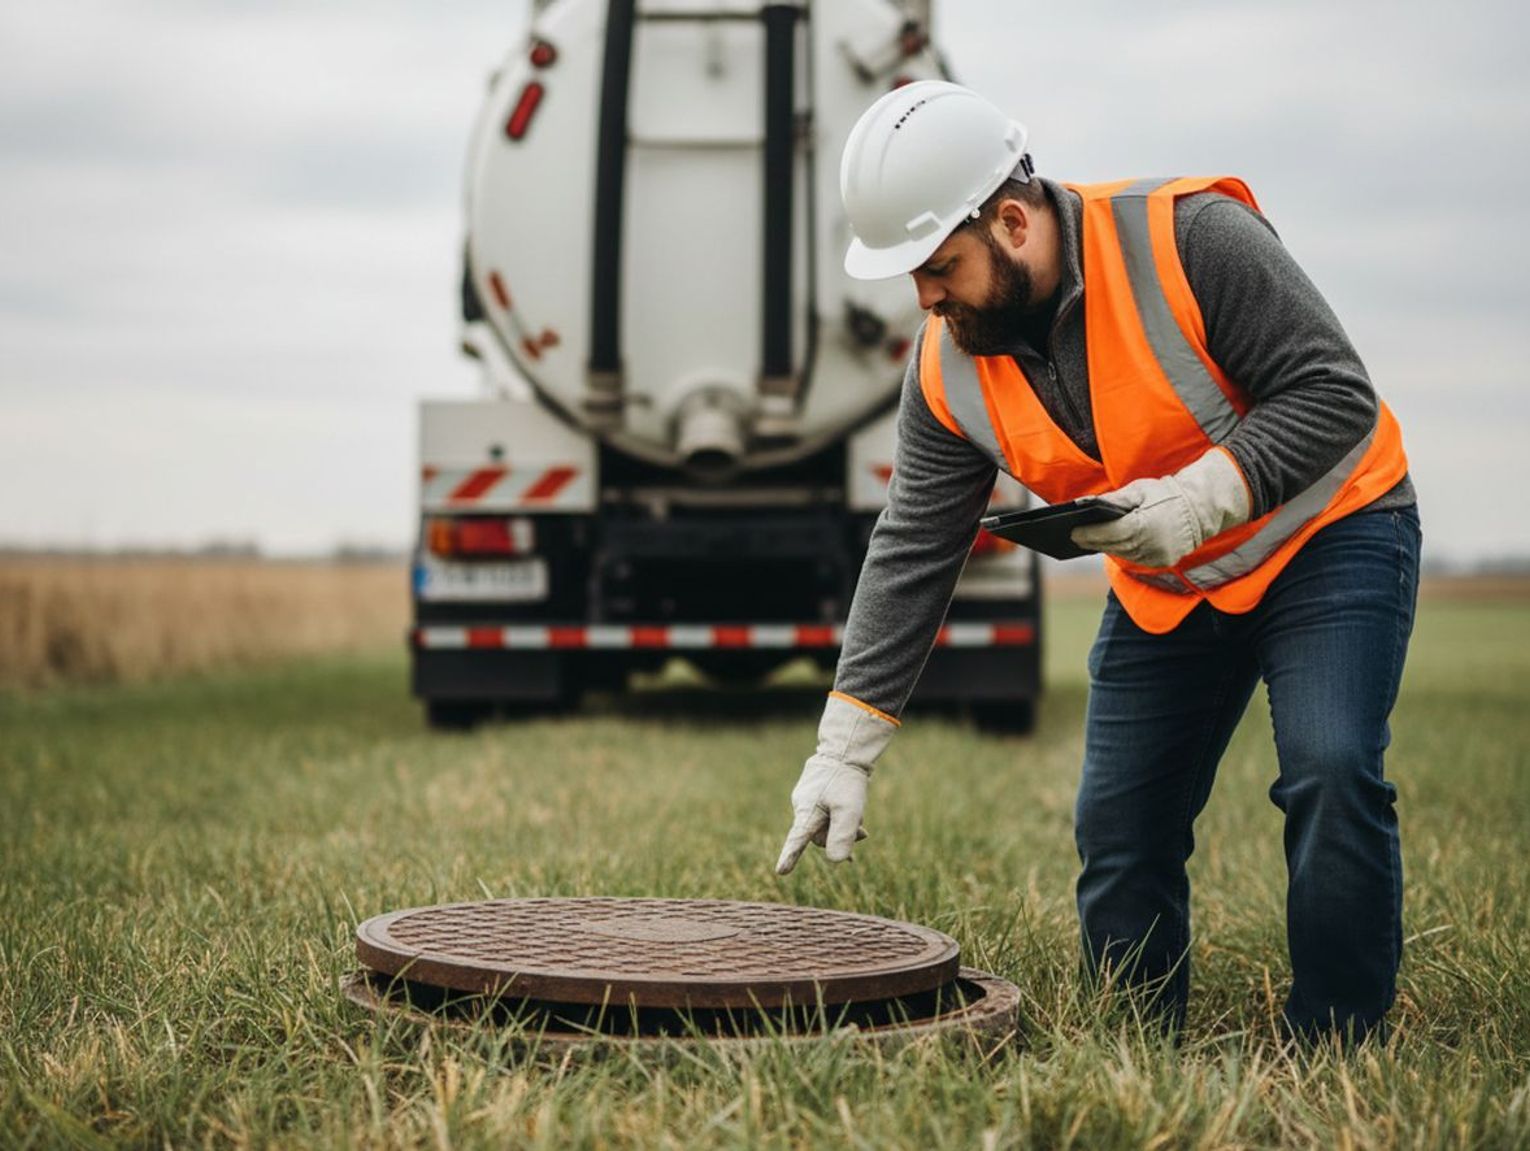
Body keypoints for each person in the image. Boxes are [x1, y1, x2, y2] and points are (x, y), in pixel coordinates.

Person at [774, 81, 1421, 1044]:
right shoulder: (947, 366)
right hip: (1171, 586)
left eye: (941, 267)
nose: (925, 298)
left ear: (1011, 221)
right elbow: (913, 543)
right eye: (912, 275)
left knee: (1329, 769)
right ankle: (1134, 1041)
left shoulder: (1191, 239)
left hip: (1327, 535)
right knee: (1120, 824)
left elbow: (1334, 394)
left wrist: (1200, 500)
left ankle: (1338, 1039)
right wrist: (845, 745)